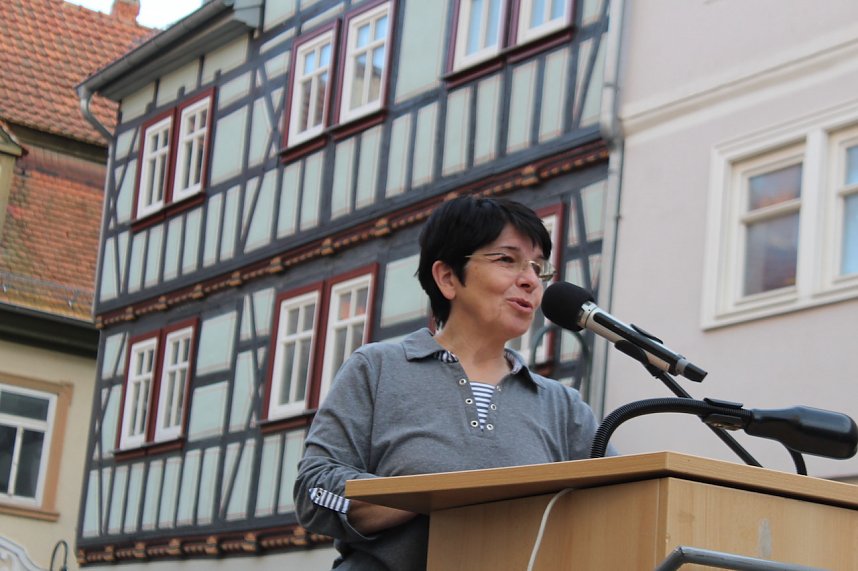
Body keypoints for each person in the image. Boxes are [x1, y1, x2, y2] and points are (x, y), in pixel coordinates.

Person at [294, 195, 608, 570]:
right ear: (447, 277)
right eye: (507, 260)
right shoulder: (377, 369)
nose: (529, 281)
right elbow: (313, 492)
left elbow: (616, 505)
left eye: (538, 268)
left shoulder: (562, 405)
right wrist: (425, 493)